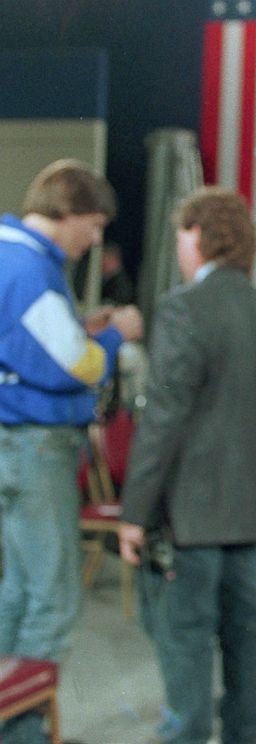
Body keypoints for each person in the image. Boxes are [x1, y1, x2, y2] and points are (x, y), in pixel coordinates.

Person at [118, 188, 256, 744]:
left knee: (184, 638)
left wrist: (134, 512)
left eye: (180, 235)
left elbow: (163, 420)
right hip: (254, 511)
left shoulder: (182, 309)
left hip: (189, 517)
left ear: (199, 235)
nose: (178, 247)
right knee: (247, 637)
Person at [0, 159, 143, 744]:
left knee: (18, 586)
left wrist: (82, 325)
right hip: (36, 447)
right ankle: (25, 729)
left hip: (14, 443)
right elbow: (73, 366)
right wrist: (115, 336)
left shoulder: (12, 256)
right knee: (55, 598)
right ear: (67, 212)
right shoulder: (29, 267)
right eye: (95, 223)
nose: (96, 238)